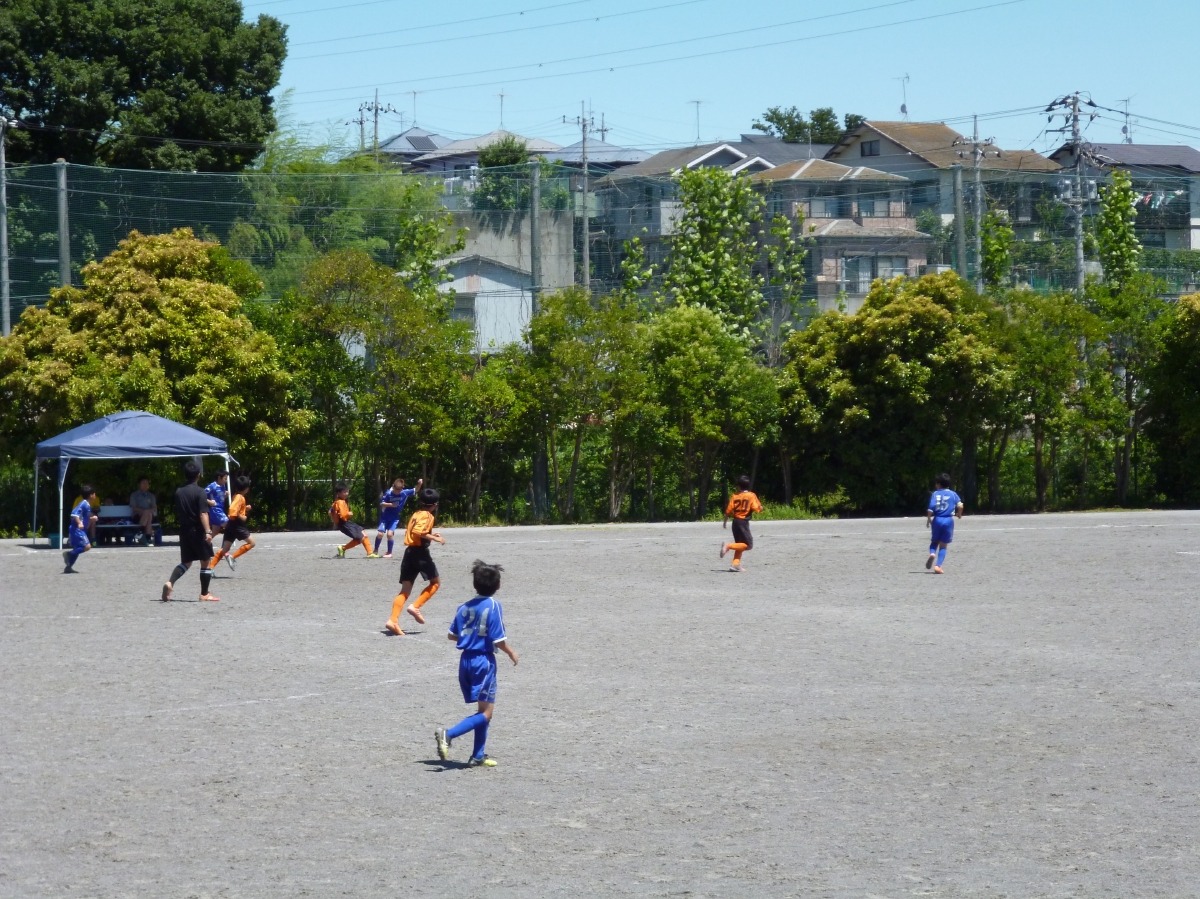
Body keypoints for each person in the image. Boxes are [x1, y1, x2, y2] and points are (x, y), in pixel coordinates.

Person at [434, 560, 519, 768]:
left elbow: (452, 635)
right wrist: (511, 653)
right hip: (483, 662)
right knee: (487, 712)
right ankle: (449, 734)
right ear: (498, 585)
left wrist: (470, 638)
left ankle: (478, 755)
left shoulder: (463, 607)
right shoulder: (493, 606)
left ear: (475, 584)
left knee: (483, 710)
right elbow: (498, 639)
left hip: (465, 661)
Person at [385, 487, 445, 636]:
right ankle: (415, 606)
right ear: (435, 505)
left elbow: (418, 531)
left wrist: (431, 534)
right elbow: (418, 532)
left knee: (405, 590)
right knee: (435, 583)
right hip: (420, 554)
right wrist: (435, 538)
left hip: (409, 553)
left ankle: (393, 620)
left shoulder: (417, 513)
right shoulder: (428, 515)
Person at [162, 461, 219, 602]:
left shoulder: (179, 492)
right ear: (198, 475)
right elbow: (203, 513)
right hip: (198, 530)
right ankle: (204, 594)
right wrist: (208, 531)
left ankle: (170, 582)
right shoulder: (200, 492)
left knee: (186, 562)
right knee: (205, 561)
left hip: (184, 530)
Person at [719, 474, 763, 572]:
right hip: (743, 522)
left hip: (735, 522)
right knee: (748, 545)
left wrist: (725, 522)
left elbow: (728, 510)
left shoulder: (735, 496)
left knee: (740, 544)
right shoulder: (751, 495)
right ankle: (728, 546)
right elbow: (756, 508)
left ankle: (735, 564)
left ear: (739, 486)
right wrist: (760, 508)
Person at [211, 475, 254, 571]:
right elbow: (232, 510)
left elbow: (237, 508)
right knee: (252, 543)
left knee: (224, 549)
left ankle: (210, 568)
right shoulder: (240, 497)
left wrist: (245, 508)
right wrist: (242, 517)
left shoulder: (236, 496)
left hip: (231, 525)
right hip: (237, 525)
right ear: (246, 488)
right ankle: (232, 557)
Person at [374, 476, 423, 558]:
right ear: (393, 487)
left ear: (402, 488)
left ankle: (389, 552)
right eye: (396, 489)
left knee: (390, 534)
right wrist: (391, 504)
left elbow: (416, 490)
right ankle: (375, 551)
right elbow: (382, 503)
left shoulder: (404, 493)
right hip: (384, 517)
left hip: (394, 518)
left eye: (399, 490)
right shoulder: (388, 493)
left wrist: (420, 484)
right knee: (380, 534)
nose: (397, 492)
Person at [925, 472, 964, 574]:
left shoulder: (935, 494)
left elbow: (930, 509)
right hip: (948, 520)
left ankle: (932, 553)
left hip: (937, 519)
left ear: (938, 484)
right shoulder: (953, 494)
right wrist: (959, 514)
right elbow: (960, 505)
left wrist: (929, 519)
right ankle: (938, 566)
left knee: (934, 542)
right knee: (943, 545)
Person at [330, 483, 379, 559]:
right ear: (338, 493)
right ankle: (344, 548)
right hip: (344, 524)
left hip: (346, 523)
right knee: (361, 537)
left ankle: (369, 553)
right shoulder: (340, 502)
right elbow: (343, 515)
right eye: (344, 492)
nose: (347, 493)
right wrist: (349, 514)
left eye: (347, 491)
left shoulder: (339, 501)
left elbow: (330, 511)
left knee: (362, 533)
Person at [63, 485, 98, 573]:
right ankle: (69, 554)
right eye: (94, 493)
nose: (95, 495)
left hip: (79, 530)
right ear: (90, 495)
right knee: (87, 546)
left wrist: (92, 519)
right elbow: (74, 514)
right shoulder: (84, 504)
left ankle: (68, 567)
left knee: (78, 548)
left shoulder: (87, 505)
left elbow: (83, 518)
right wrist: (79, 523)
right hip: (77, 530)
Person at [129, 476, 158, 545]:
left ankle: (140, 532)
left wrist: (146, 512)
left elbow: (154, 508)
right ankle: (148, 538)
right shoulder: (134, 495)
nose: (145, 485)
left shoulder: (151, 496)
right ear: (139, 484)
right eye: (143, 483)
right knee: (148, 515)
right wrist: (144, 511)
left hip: (150, 515)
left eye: (147, 483)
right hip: (137, 516)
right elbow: (134, 508)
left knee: (149, 514)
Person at [205, 470, 230, 539]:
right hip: (215, 510)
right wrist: (209, 502)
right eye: (225, 478)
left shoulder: (223, 486)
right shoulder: (212, 486)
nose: (226, 481)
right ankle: (226, 545)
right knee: (229, 525)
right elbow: (202, 496)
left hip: (220, 509)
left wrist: (225, 496)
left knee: (215, 530)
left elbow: (220, 498)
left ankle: (204, 542)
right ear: (219, 478)